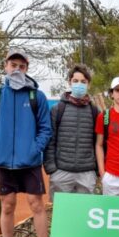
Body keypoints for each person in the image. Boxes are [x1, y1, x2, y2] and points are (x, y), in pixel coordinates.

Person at [0, 49, 52, 237]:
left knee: (37, 205)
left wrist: (34, 149)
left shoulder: (36, 97)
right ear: (5, 66)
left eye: (21, 66)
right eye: (13, 65)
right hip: (4, 163)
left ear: (26, 69)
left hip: (30, 163)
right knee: (7, 205)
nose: (17, 69)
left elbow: (45, 129)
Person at [43, 64, 99, 200]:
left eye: (83, 82)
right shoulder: (57, 109)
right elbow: (50, 140)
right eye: (76, 81)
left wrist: (96, 170)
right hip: (61, 173)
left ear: (88, 84)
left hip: (87, 174)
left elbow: (99, 142)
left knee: (85, 211)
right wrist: (52, 169)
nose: (79, 84)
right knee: (60, 212)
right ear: (69, 82)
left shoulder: (94, 111)